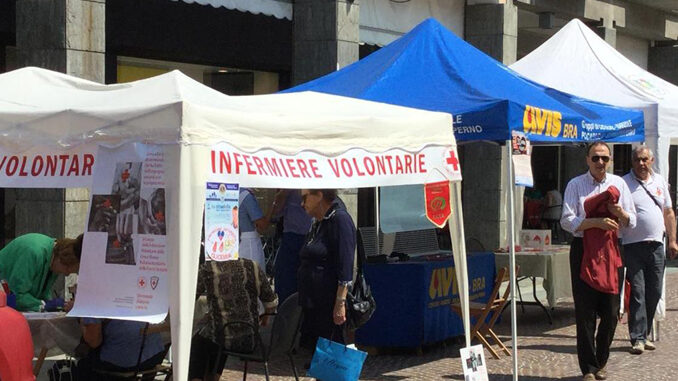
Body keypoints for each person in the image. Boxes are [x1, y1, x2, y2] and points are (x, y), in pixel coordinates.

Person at [561, 141, 636, 381]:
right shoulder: (575, 184)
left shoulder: (619, 184)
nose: (600, 162)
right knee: (584, 312)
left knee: (612, 311)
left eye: (605, 158)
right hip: (584, 249)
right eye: (596, 158)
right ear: (587, 160)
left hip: (612, 249)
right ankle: (589, 369)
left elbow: (631, 220)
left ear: (610, 160)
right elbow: (566, 220)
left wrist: (619, 214)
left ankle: (601, 361)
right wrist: (596, 223)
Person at [621, 146, 678, 354]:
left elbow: (668, 212)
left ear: (652, 160)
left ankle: (643, 334)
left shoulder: (660, 181)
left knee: (654, 291)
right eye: (637, 160)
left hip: (656, 244)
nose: (641, 164)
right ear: (632, 162)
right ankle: (637, 338)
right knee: (637, 291)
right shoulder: (624, 183)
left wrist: (672, 240)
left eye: (645, 159)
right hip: (632, 245)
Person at [189, 258, 278, 381]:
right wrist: (265, 317)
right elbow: (271, 303)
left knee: (200, 341)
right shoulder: (252, 266)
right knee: (215, 337)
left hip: (223, 338)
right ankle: (213, 376)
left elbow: (189, 296)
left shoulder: (208, 269)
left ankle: (199, 378)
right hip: (250, 338)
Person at [298, 189, 356, 349]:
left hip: (328, 302)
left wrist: (340, 303)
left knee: (332, 352)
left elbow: (345, 264)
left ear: (319, 195)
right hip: (313, 302)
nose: (302, 204)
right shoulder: (318, 222)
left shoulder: (340, 219)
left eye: (305, 197)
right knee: (316, 353)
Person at [0, 233, 83, 312]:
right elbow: (17, 295)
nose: (66, 274)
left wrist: (50, 303)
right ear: (64, 260)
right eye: (67, 270)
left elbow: (43, 291)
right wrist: (42, 304)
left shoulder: (52, 258)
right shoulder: (33, 252)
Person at [75, 318, 166, 380]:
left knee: (84, 364)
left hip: (123, 362)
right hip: (154, 356)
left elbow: (94, 342)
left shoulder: (93, 299)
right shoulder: (143, 291)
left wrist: (81, 318)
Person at [272, 189, 313, 304]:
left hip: (310, 239)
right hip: (290, 239)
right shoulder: (288, 189)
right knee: (285, 285)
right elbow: (275, 212)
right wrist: (283, 193)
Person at [238, 188, 279, 271]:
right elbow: (262, 225)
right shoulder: (247, 196)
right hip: (249, 245)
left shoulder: (232, 192)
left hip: (236, 242)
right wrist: (274, 203)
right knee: (255, 276)